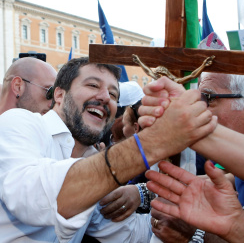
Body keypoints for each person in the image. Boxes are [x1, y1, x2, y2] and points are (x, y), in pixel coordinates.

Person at [0, 57, 216, 242]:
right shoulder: (19, 123)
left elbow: (134, 234)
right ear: (59, 95)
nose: (105, 98)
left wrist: (183, 226)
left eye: (114, 95)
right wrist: (153, 141)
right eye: (93, 85)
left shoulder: (94, 165)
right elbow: (33, 197)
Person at [149, 73, 244, 242]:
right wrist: (143, 193)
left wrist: (203, 234)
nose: (200, 108)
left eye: (208, 98)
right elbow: (239, 178)